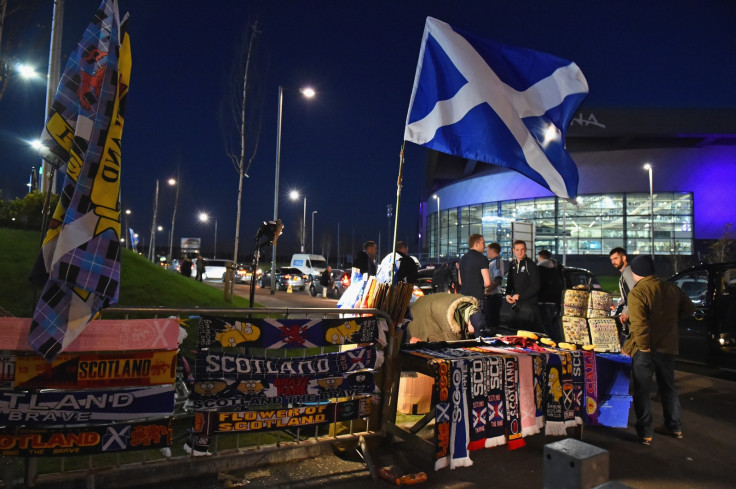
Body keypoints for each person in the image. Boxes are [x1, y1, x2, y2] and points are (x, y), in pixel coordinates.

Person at [623, 255, 694, 446]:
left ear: (636, 272)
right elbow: (689, 308)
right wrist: (670, 320)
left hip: (646, 349)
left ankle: (645, 432)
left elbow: (638, 325)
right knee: (668, 388)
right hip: (668, 347)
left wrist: (644, 347)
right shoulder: (671, 287)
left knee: (642, 391)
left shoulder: (638, 292)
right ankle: (674, 426)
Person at [458, 234, 491, 335]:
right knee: (479, 328)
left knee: (466, 327)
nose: (484, 245)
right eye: (483, 243)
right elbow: (487, 282)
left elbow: (460, 282)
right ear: (477, 244)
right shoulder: (482, 259)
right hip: (477, 298)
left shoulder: (462, 259)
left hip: (464, 297)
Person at [505, 240, 541, 331]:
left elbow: (536, 285)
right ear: (513, 250)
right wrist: (508, 294)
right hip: (516, 304)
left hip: (529, 304)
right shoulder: (512, 265)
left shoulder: (531, 265)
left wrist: (521, 296)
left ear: (525, 250)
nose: (520, 252)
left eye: (522, 249)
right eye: (517, 249)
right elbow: (510, 283)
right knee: (512, 330)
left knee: (525, 332)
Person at [537, 249, 564, 341]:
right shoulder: (557, 269)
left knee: (545, 327)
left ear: (540, 257)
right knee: (554, 325)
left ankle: (551, 344)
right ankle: (557, 342)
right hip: (555, 301)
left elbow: (537, 285)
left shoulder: (539, 269)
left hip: (543, 301)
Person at [609, 247, 637, 337]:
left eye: (616, 258)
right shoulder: (625, 273)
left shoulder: (627, 272)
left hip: (633, 315)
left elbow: (635, 293)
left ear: (624, 258)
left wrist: (627, 311)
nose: (613, 262)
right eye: (611, 259)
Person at [485, 242, 505, 333]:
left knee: (492, 323)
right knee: (489, 321)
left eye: (488, 250)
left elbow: (498, 279)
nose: (487, 252)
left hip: (494, 296)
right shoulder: (492, 262)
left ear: (493, 250)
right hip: (491, 296)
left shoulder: (497, 262)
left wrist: (487, 290)